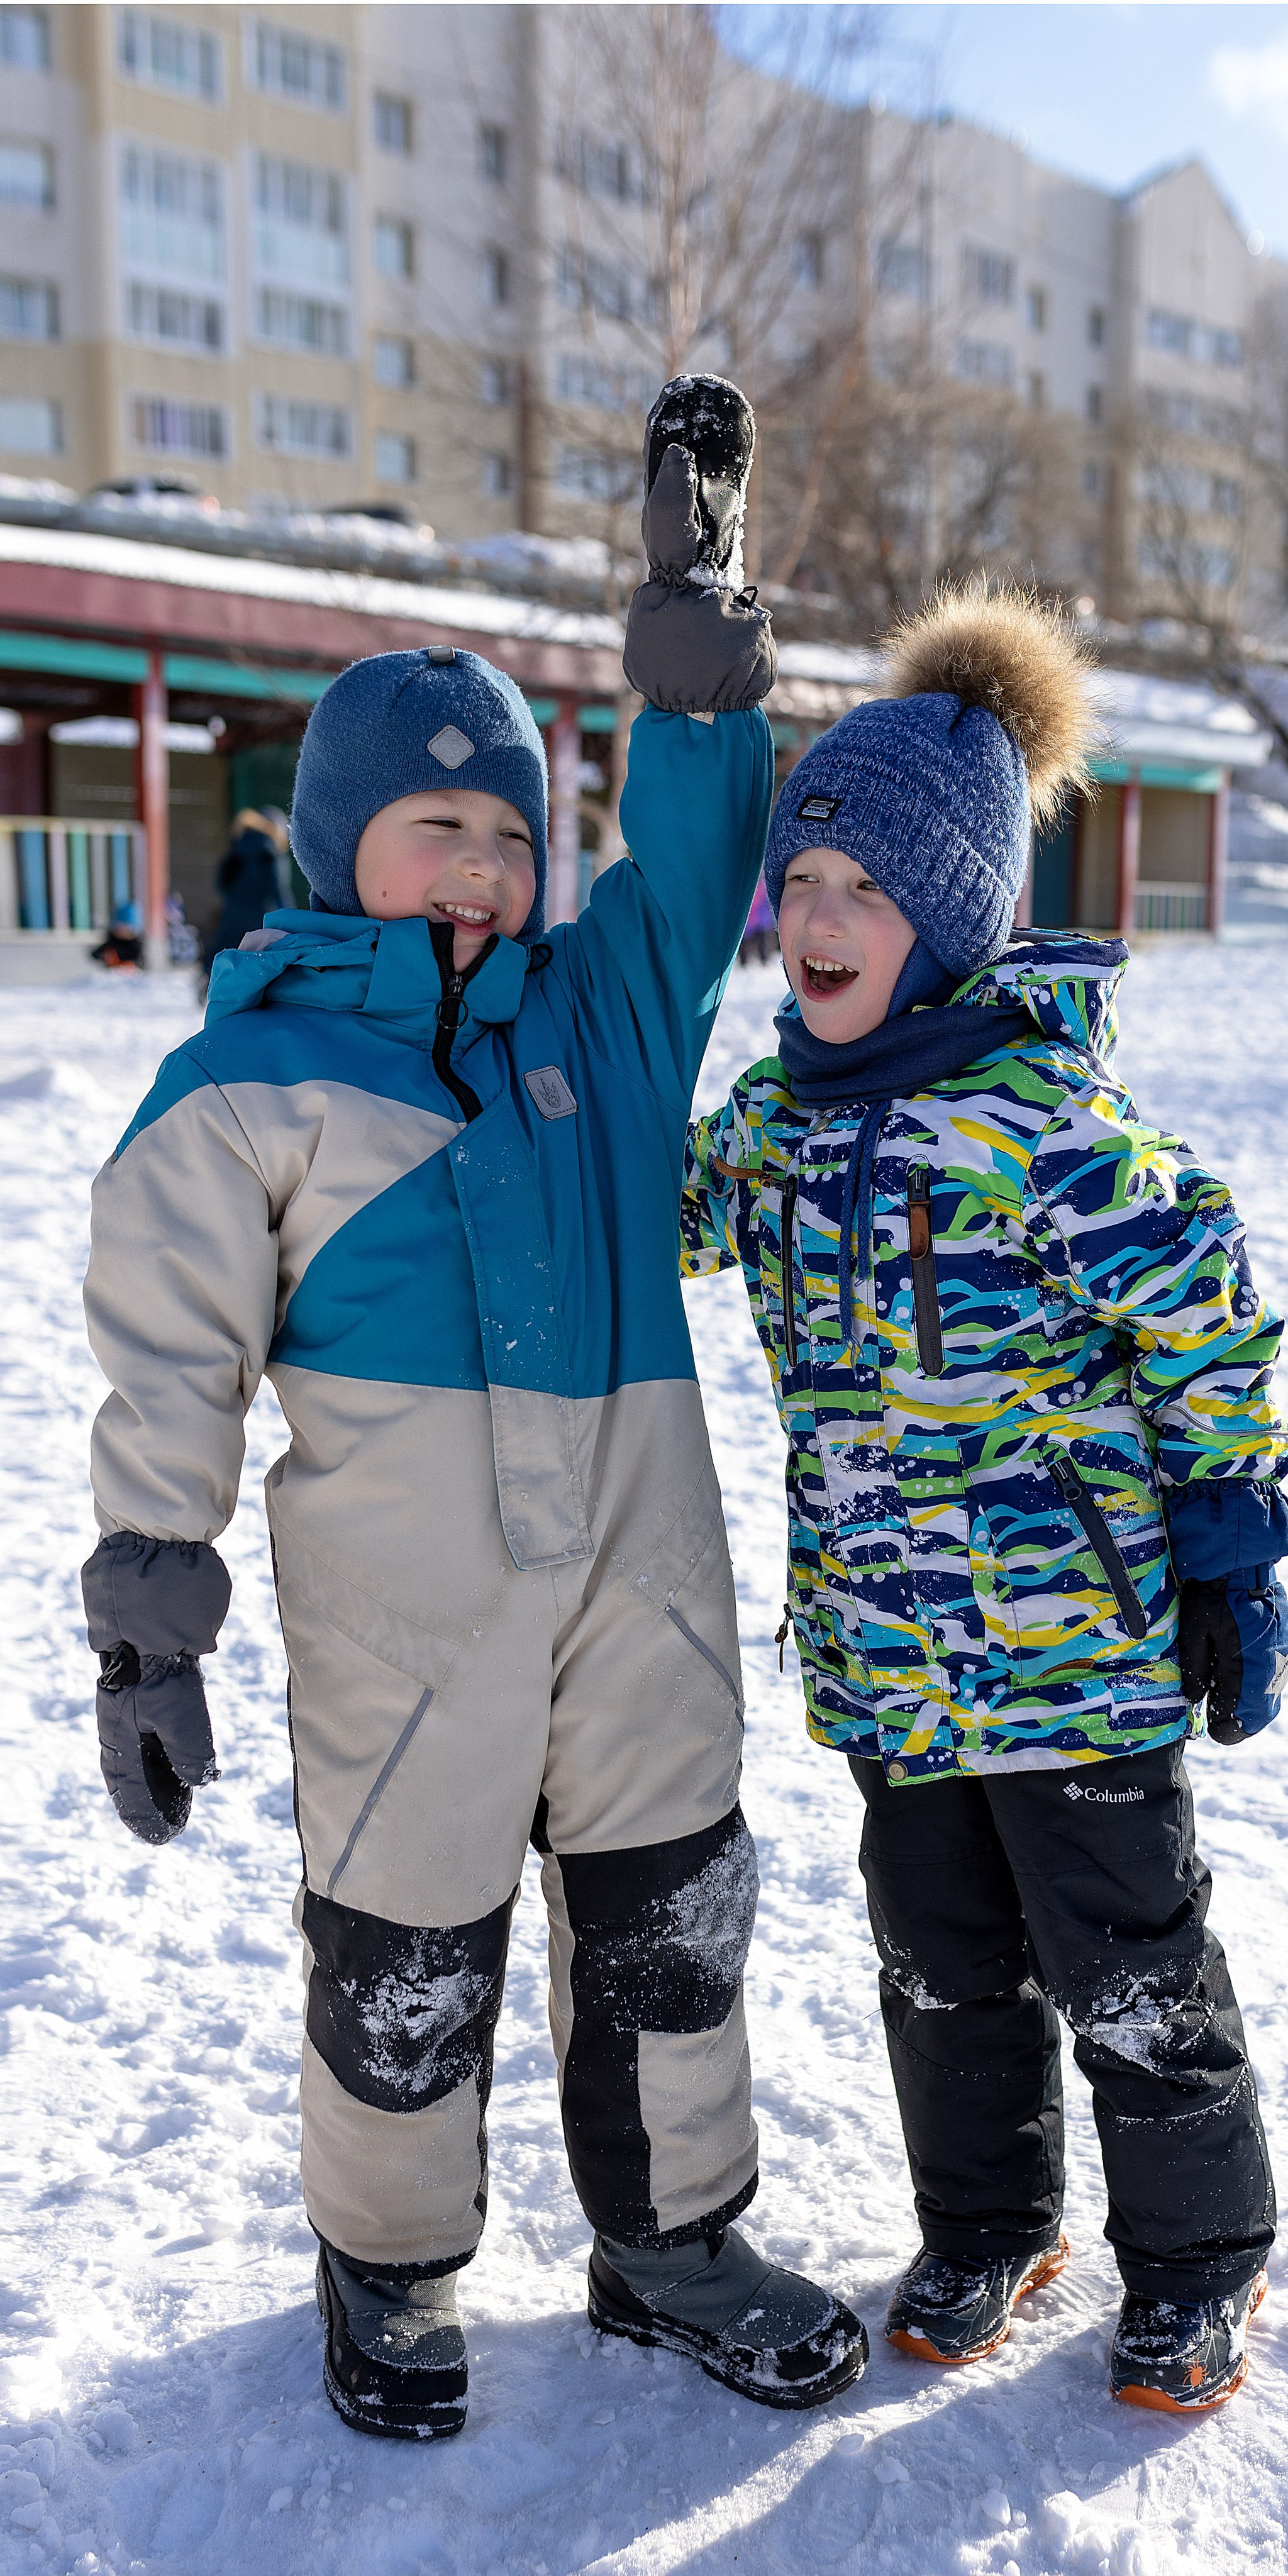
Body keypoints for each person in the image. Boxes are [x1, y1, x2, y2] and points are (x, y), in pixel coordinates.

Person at [79, 378, 867, 2445]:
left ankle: (672, 2235)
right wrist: (148, 1603)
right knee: (402, 1959)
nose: (488, 864)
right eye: (444, 827)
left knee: (675, 1921)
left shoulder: (595, 1014)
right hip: (400, 1619)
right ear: (344, 843)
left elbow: (693, 876)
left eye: (516, 831)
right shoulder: (247, 1086)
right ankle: (390, 2263)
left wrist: (697, 661)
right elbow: (166, 1347)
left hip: (637, 1586)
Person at [681, 583, 1288, 2414]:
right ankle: (985, 2222)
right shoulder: (775, 1125)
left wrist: (1230, 1551)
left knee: (1124, 1968)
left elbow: (1204, 1318)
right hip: (886, 1664)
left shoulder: (1044, 1127)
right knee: (937, 1971)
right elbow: (660, 1221)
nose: (811, 920)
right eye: (797, 885)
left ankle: (1196, 2258)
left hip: (1070, 1657)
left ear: (949, 915)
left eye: (860, 890)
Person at [201, 808, 286, 975]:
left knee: (224, 952)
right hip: (261, 915)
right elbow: (278, 889)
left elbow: (222, 882)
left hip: (233, 912)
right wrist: (289, 915)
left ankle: (210, 982)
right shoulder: (271, 852)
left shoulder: (238, 847)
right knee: (259, 960)